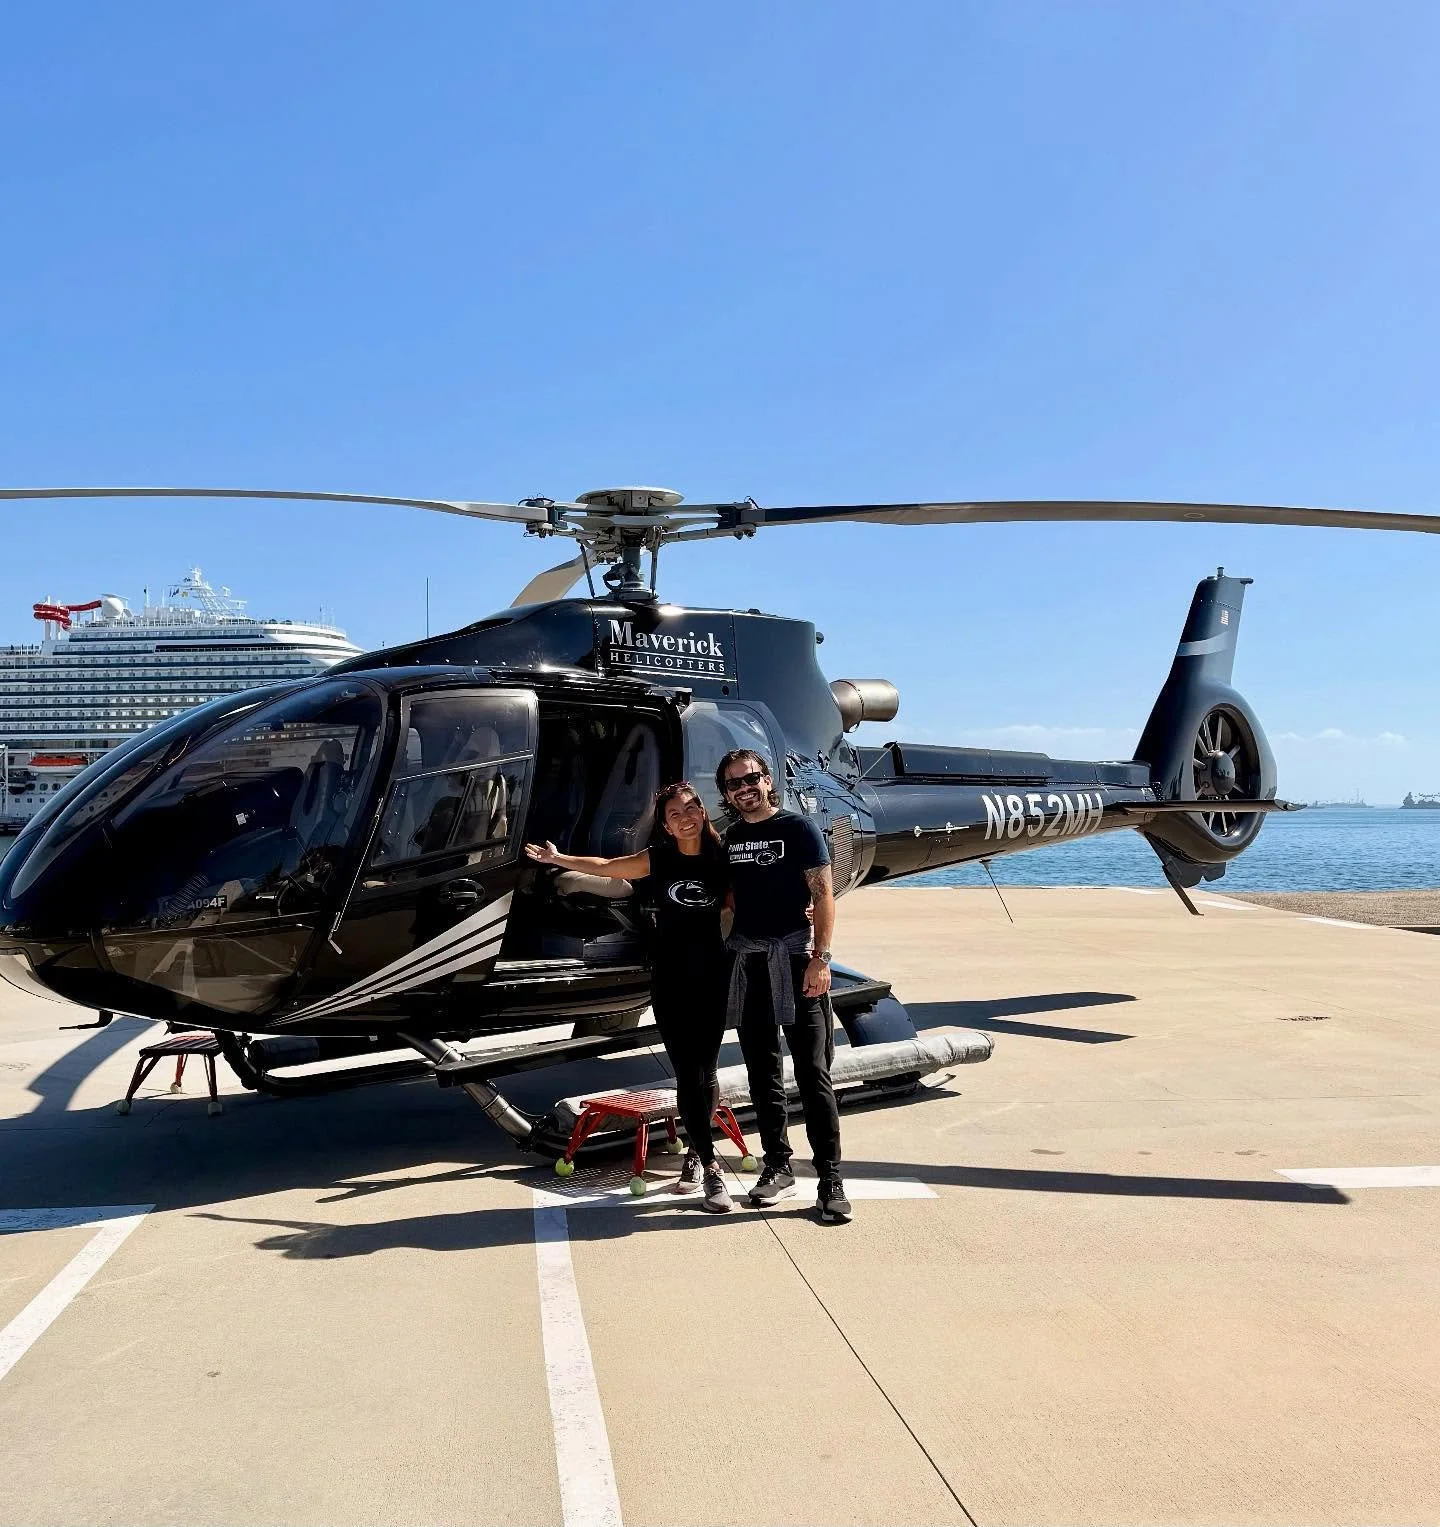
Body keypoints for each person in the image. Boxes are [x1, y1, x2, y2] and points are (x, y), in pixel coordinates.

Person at [524, 782, 733, 1212]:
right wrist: (557, 858)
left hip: (714, 976)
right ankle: (709, 1164)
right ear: (665, 823)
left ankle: (699, 1157)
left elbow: (751, 899)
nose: (684, 817)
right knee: (685, 1070)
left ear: (703, 812)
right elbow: (606, 866)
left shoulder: (723, 858)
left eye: (690, 808)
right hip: (671, 979)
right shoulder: (659, 858)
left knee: (705, 1070)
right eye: (673, 813)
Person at [717, 749, 852, 1224]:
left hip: (796, 960)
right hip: (749, 963)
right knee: (761, 1071)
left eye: (750, 778)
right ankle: (777, 1164)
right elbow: (728, 900)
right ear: (728, 794)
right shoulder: (730, 837)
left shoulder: (798, 830)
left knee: (814, 1073)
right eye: (734, 784)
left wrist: (821, 958)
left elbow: (823, 894)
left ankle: (830, 1178)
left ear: (768, 780)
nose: (744, 788)